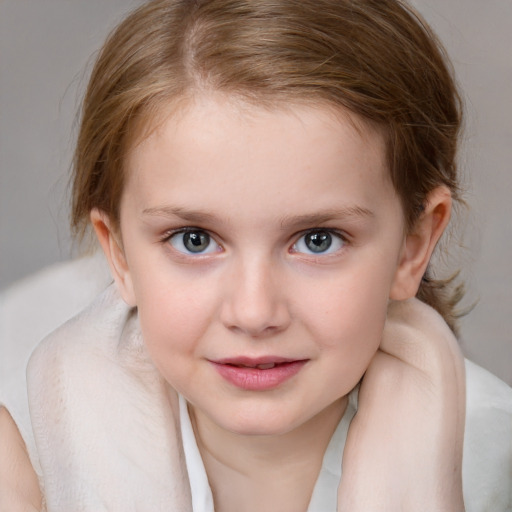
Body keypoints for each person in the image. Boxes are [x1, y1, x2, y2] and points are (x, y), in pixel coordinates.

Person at [0, 0, 510, 510]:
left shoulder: (495, 459)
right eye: (194, 239)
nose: (254, 312)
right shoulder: (23, 455)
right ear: (120, 255)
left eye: (318, 239)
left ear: (412, 247)